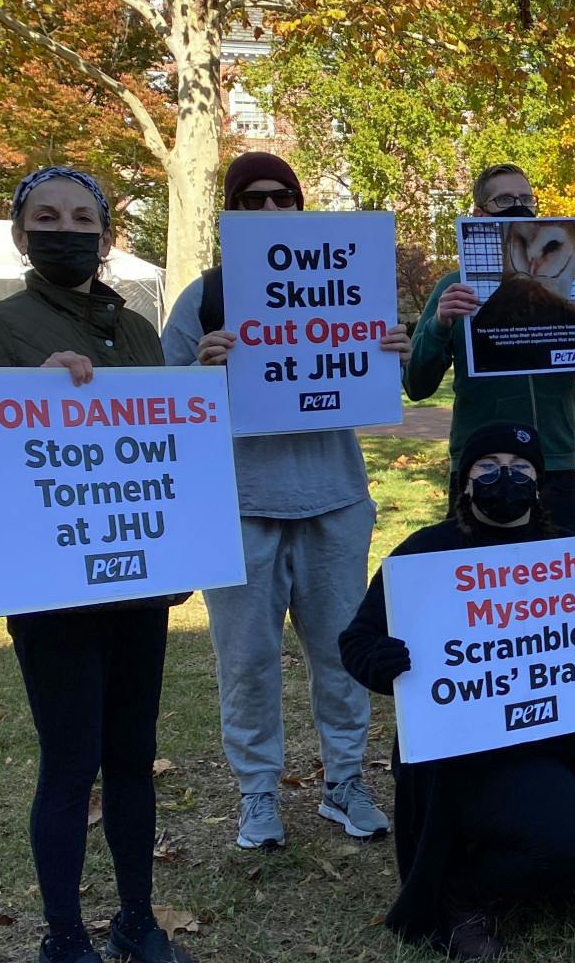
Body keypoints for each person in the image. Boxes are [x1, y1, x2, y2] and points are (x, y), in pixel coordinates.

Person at [0, 167, 195, 963]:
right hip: (53, 591)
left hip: (136, 582)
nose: (66, 229)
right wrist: (30, 397)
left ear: (107, 232)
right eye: (46, 216)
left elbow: (168, 447)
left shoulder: (139, 330)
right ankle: (62, 942)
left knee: (132, 758)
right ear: (20, 233)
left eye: (83, 217)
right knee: (70, 761)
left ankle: (135, 919)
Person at [338, 422, 575, 958]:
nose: (503, 477)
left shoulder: (568, 557)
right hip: (468, 756)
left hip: (560, 742)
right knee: (574, 842)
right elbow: (357, 640)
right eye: (487, 467)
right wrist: (380, 662)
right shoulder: (425, 553)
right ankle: (459, 892)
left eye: (520, 468)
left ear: (539, 483)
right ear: (463, 482)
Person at [164, 152, 408, 852]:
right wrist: (198, 369)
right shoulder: (203, 298)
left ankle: (344, 784)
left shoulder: (348, 282)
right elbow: (161, 402)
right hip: (239, 507)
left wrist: (390, 347)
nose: (271, 210)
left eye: (284, 198)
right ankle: (257, 793)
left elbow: (386, 379)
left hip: (333, 500)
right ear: (230, 214)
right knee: (246, 660)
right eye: (253, 199)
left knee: (340, 654)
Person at [406, 163, 575, 532]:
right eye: (504, 199)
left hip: (554, 463)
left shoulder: (568, 295)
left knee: (554, 581)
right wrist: (439, 325)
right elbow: (417, 386)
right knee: (481, 580)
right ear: (478, 215)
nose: (519, 206)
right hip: (479, 467)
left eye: (526, 198)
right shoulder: (455, 290)